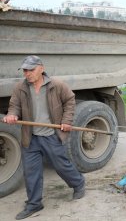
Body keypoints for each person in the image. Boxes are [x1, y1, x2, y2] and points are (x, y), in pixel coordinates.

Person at [2, 55, 85, 220]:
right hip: (30, 137)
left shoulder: (56, 85)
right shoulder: (21, 88)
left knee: (61, 166)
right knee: (31, 172)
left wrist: (67, 121)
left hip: (51, 135)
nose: (27, 73)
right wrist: (12, 115)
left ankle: (78, 183)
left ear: (41, 68)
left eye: (31, 70)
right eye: (25, 70)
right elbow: (14, 106)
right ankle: (34, 204)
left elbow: (70, 101)